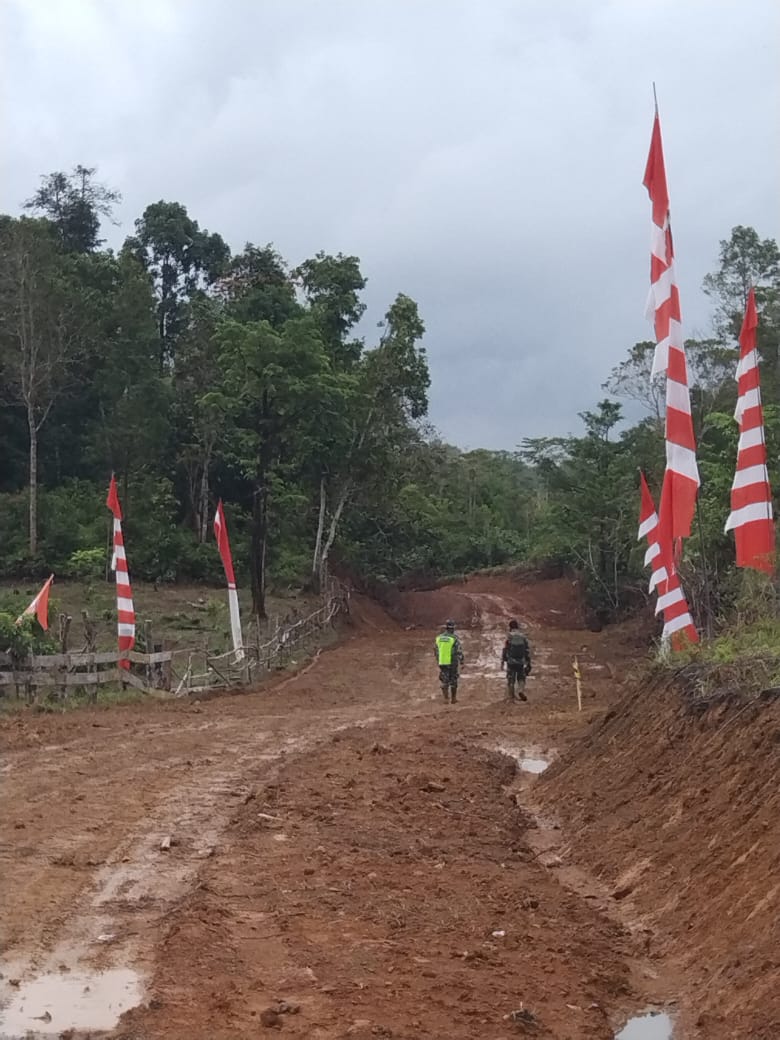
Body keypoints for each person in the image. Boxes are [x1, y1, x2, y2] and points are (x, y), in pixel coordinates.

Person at [500, 619, 531, 702]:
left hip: (511, 661)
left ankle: (511, 697)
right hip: (521, 661)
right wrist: (528, 662)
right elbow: (527, 650)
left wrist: (503, 661)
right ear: (517, 627)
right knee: (521, 678)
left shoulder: (509, 636)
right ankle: (520, 690)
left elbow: (505, 649)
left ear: (510, 627)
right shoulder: (523, 636)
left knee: (511, 679)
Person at [434, 619, 464, 704]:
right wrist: (462, 661)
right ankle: (453, 699)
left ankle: (446, 699)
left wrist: (438, 659)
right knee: (453, 680)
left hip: (442, 661)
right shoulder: (454, 638)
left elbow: (435, 650)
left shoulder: (438, 638)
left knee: (444, 680)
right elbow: (459, 651)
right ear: (453, 628)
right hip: (452, 661)